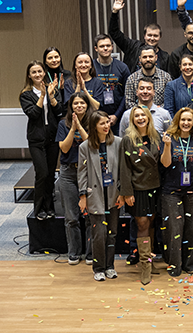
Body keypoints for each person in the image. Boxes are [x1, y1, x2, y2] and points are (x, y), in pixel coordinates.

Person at [78, 111, 125, 281]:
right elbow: (82, 173)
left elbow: (123, 170)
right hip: (95, 195)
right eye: (102, 123)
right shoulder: (85, 147)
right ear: (94, 126)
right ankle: (98, 268)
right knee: (99, 234)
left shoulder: (118, 142)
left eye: (107, 122)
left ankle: (110, 266)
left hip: (113, 194)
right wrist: (83, 196)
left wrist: (122, 193)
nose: (106, 126)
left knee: (112, 233)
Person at [119, 105, 162, 285]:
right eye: (136, 116)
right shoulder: (127, 139)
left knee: (151, 223)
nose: (140, 118)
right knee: (142, 224)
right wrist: (126, 192)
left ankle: (150, 262)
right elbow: (124, 168)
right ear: (132, 120)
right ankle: (144, 266)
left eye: (143, 115)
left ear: (148, 117)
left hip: (155, 187)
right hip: (138, 188)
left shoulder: (156, 136)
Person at [160, 108, 193, 276]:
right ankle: (174, 265)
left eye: (189, 120)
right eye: (183, 119)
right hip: (171, 191)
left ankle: (191, 263)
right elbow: (165, 164)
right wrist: (167, 146)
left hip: (192, 190)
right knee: (174, 228)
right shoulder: (169, 139)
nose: (186, 123)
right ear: (177, 121)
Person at [20, 60, 64, 220]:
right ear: (29, 75)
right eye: (34, 72)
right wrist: (42, 96)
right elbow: (33, 114)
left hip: (52, 138)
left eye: (40, 71)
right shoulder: (26, 94)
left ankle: (49, 207)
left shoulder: (53, 89)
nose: (37, 74)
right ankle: (38, 209)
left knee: (51, 174)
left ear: (44, 73)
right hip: (36, 140)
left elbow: (59, 111)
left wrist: (51, 96)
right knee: (42, 173)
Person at [57, 92, 94, 264]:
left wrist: (80, 127)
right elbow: (64, 148)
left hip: (88, 171)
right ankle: (74, 252)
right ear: (71, 106)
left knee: (90, 216)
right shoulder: (62, 124)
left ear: (87, 105)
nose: (79, 106)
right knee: (71, 217)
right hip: (68, 172)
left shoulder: (93, 122)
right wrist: (72, 128)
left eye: (82, 103)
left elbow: (91, 146)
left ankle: (91, 253)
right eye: (75, 103)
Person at [109, 0, 168, 72]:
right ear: (144, 36)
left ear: (160, 37)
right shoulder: (132, 47)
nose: (152, 38)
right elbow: (114, 32)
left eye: (155, 36)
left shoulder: (165, 57)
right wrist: (115, 12)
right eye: (149, 35)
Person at [92, 34, 130, 127]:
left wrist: (116, 115)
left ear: (112, 47)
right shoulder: (91, 67)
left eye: (108, 46)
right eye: (102, 46)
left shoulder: (122, 67)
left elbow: (127, 93)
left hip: (118, 116)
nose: (105, 48)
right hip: (96, 116)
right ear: (96, 48)